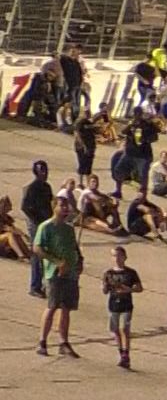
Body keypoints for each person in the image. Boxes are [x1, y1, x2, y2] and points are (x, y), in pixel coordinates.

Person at [32, 195, 82, 357]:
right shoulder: (46, 227)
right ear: (54, 207)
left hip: (70, 273)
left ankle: (63, 342)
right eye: (62, 206)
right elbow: (37, 248)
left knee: (66, 308)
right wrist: (55, 261)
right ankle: (42, 341)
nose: (66, 209)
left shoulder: (68, 229)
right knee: (52, 306)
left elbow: (73, 247)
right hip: (54, 273)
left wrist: (79, 260)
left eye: (67, 206)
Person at [101, 245, 143, 370]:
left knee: (125, 328)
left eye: (119, 256)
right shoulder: (109, 273)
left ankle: (126, 353)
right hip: (113, 303)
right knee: (114, 329)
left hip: (126, 304)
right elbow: (104, 290)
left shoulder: (130, 273)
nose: (117, 258)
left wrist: (129, 289)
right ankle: (121, 351)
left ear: (125, 257)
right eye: (114, 256)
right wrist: (104, 286)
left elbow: (139, 288)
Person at [22, 160, 53, 298]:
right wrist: (37, 221)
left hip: (47, 223)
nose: (45, 173)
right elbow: (25, 207)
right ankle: (35, 286)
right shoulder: (32, 188)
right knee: (37, 254)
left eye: (46, 170)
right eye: (42, 171)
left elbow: (49, 205)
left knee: (48, 253)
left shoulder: (47, 187)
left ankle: (46, 284)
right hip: (36, 225)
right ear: (36, 172)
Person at [73, 112, 97, 178]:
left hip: (90, 146)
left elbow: (94, 133)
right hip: (81, 147)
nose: (87, 115)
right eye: (86, 114)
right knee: (82, 164)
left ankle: (88, 182)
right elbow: (77, 134)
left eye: (88, 114)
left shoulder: (90, 123)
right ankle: (80, 183)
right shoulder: (79, 123)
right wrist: (83, 145)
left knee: (89, 165)